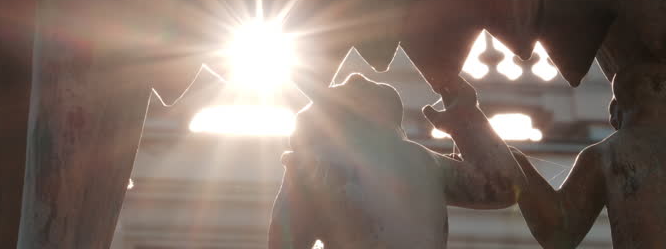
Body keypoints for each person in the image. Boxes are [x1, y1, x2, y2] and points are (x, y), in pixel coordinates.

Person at [269, 73, 525, 248]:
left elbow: (284, 241)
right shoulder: (424, 161)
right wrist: (468, 120)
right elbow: (505, 186)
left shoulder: (310, 164)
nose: (354, 76)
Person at [513, 61, 666, 248]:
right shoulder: (608, 153)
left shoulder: (607, 152)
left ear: (615, 113)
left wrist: (517, 165)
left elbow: (559, 230)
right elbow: (560, 230)